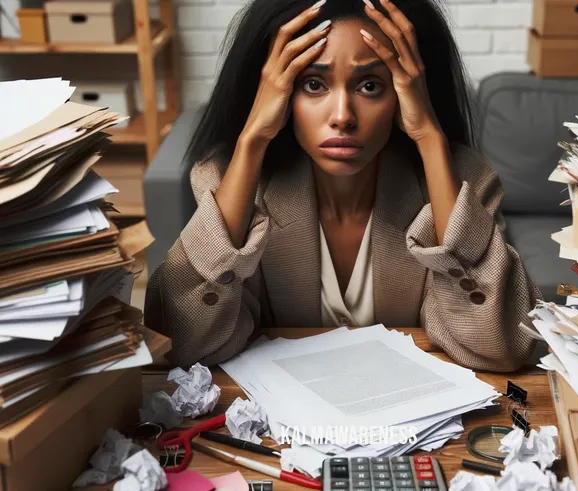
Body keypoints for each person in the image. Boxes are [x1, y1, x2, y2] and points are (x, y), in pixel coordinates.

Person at [144, 0, 543, 372]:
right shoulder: (230, 182)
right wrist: (252, 140)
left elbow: (506, 345)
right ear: (277, 95)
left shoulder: (460, 184)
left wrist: (429, 138)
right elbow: (180, 345)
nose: (342, 116)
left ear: (406, 94)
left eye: (370, 85)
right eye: (313, 85)